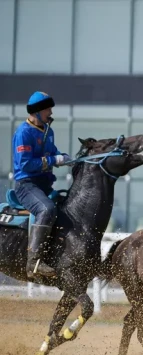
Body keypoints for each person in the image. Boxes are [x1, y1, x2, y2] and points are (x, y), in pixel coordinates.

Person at [13, 92, 71, 278]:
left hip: (44, 186)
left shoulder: (48, 131)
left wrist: (64, 158)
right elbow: (26, 164)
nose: (50, 111)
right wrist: (54, 159)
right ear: (37, 111)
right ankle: (33, 262)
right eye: (47, 108)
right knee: (46, 209)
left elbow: (53, 153)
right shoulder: (24, 133)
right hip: (26, 186)